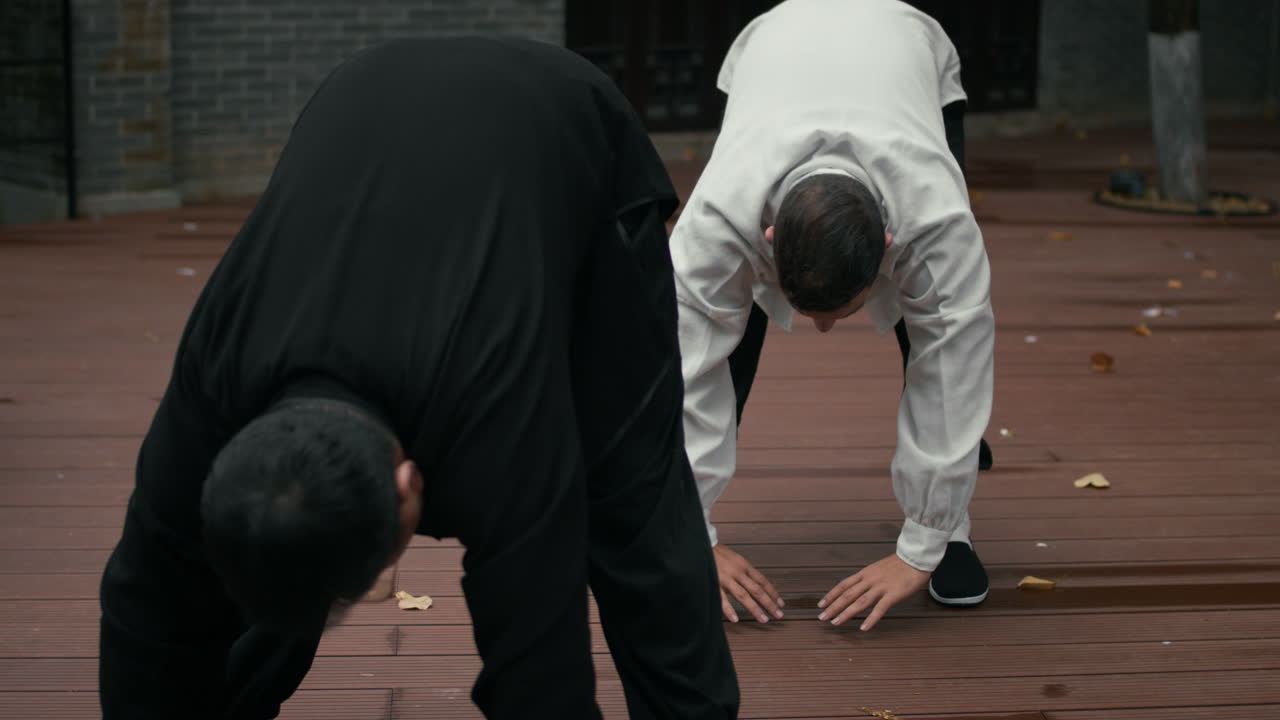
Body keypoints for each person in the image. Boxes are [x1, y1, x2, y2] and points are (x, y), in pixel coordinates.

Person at [98, 37, 738, 720]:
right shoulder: (213, 381)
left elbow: (537, 666)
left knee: (633, 501)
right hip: (366, 96)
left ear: (411, 488)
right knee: (283, 557)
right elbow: (146, 609)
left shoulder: (503, 420)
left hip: (566, 124)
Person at [671, 0, 996, 632]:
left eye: (835, 314)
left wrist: (920, 550)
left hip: (909, 49)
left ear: (888, 249)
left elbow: (958, 362)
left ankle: (951, 525)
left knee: (926, 332)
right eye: (808, 311)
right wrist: (687, 533)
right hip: (769, 49)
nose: (821, 331)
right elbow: (683, 369)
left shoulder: (938, 226)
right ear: (765, 236)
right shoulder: (716, 223)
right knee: (726, 342)